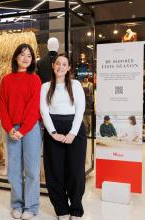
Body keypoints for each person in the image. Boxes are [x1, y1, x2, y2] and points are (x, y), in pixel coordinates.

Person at [40, 53, 86, 220]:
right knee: (54, 172)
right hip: (54, 127)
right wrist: (53, 133)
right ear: (53, 66)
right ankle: (61, 209)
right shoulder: (45, 86)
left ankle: (76, 209)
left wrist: (73, 133)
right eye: (57, 64)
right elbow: (44, 111)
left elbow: (80, 109)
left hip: (75, 128)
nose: (60, 67)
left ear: (68, 68)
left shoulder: (75, 85)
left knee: (75, 171)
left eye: (64, 64)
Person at [0, 43, 42, 220]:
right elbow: (2, 106)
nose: (25, 58)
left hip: (30, 129)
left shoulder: (35, 79)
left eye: (29, 56)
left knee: (32, 169)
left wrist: (22, 130)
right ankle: (17, 204)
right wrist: (9, 128)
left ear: (32, 60)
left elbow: (34, 108)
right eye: (22, 54)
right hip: (12, 130)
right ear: (16, 57)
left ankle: (31, 207)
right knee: (14, 170)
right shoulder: (6, 79)